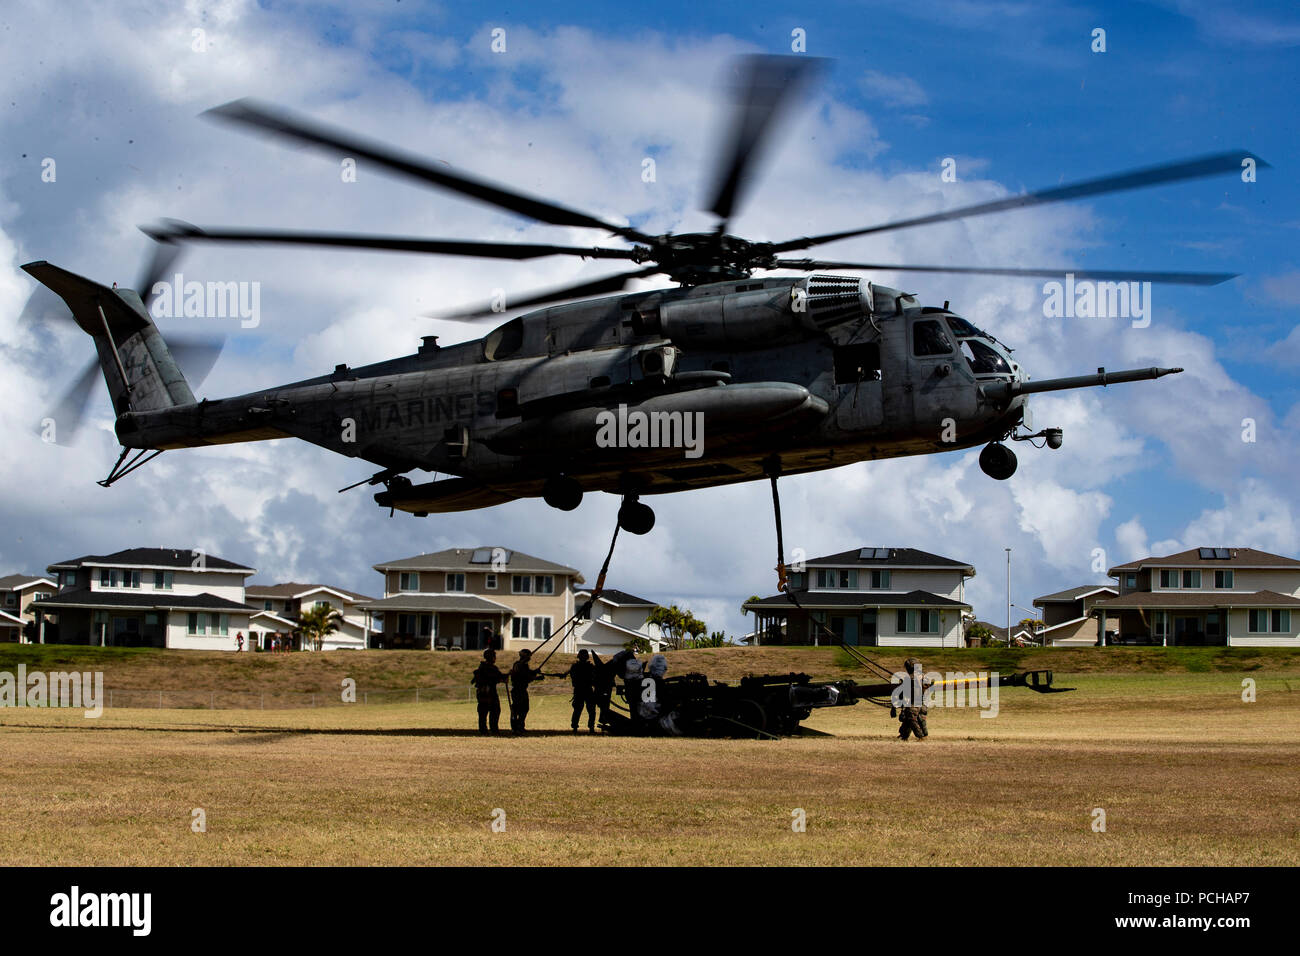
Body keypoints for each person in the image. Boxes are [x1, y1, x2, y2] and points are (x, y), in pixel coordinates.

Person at [556, 649, 597, 732]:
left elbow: (568, 674)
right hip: (585, 690)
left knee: (580, 710)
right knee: (589, 710)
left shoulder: (575, 666)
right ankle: (589, 727)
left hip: (580, 690)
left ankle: (576, 727)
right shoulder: (589, 667)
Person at [471, 648, 507, 735]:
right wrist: (504, 677)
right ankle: (492, 729)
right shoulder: (490, 668)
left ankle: (484, 730)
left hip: (482, 693)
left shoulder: (482, 667)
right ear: (492, 657)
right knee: (494, 711)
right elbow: (496, 677)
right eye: (494, 656)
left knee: (484, 712)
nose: (495, 658)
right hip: (489, 693)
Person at [508, 649, 544, 733]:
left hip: (522, 690)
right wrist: (536, 677)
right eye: (529, 656)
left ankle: (520, 726)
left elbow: (527, 673)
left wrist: (535, 671)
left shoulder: (523, 665)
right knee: (517, 709)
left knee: (524, 708)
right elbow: (525, 676)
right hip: (518, 690)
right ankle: (515, 727)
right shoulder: (518, 665)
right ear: (525, 656)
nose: (530, 658)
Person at [893, 657, 929, 741]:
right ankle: (904, 735)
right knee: (910, 719)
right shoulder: (924, 677)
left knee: (911, 718)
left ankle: (920, 736)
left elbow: (902, 693)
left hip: (913, 703)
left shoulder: (909, 678)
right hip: (922, 703)